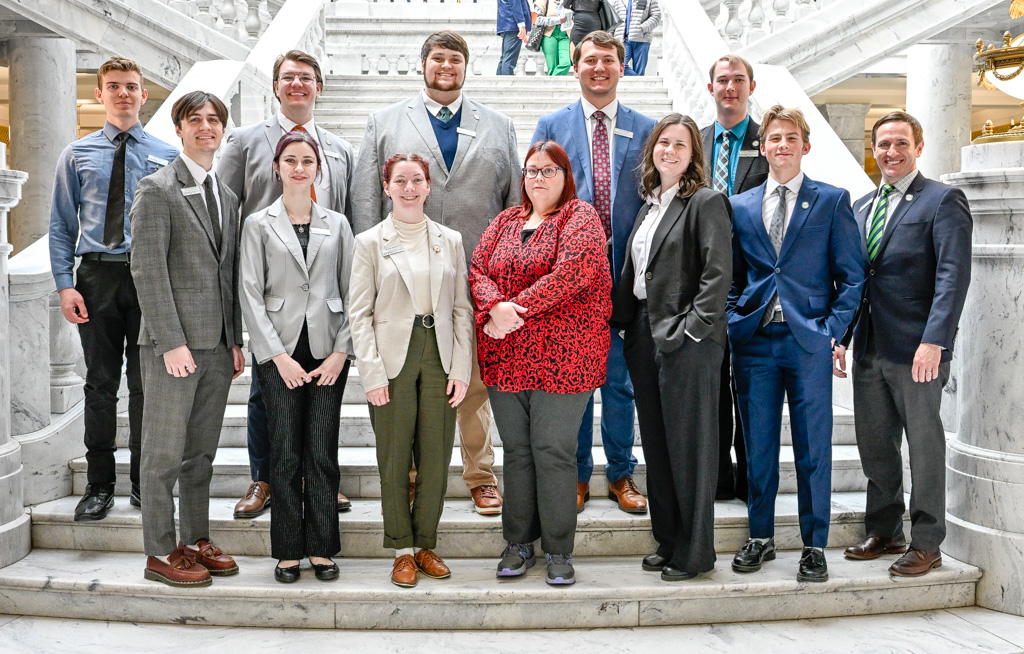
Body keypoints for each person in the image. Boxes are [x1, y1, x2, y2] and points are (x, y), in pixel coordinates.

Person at [352, 31, 520, 516]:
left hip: (476, 277)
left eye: (455, 59)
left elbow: (513, 203)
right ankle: (410, 476)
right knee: (408, 381)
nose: (446, 66)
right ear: (422, 63)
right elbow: (365, 200)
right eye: (438, 58)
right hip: (404, 277)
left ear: (467, 67)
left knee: (472, 383)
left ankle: (480, 474)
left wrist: (506, 278)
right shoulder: (384, 122)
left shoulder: (499, 126)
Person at [728, 105, 864, 583]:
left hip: (808, 341)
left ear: (805, 146)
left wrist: (832, 331)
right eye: (774, 138)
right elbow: (732, 275)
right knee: (758, 445)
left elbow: (852, 277)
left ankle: (814, 545)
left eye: (790, 138)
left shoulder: (832, 200)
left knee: (813, 448)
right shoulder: (740, 205)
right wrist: (733, 317)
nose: (782, 145)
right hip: (754, 341)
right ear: (762, 147)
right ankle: (760, 536)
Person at [217, 49, 356, 520]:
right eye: (288, 77)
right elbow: (226, 215)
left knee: (323, 402)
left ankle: (319, 480)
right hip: (270, 292)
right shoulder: (244, 141)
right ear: (275, 86)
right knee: (265, 395)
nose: (297, 84)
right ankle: (265, 479)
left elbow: (347, 221)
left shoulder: (339, 149)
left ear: (320, 87)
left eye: (306, 77)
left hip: (324, 300)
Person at [837, 111, 972, 578]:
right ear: (873, 149)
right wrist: (842, 337)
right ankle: (885, 530)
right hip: (869, 345)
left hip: (918, 350)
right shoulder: (861, 205)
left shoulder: (943, 199)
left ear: (918, 147)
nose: (891, 152)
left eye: (900, 143)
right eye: (883, 144)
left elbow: (953, 276)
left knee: (924, 446)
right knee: (876, 445)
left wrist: (935, 340)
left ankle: (927, 543)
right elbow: (856, 278)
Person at [471, 140, 611, 586]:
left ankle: (558, 549)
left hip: (564, 359)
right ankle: (518, 543)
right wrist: (495, 307)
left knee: (553, 452)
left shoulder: (580, 216)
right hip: (506, 358)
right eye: (532, 170)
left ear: (566, 176)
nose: (539, 178)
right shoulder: (505, 221)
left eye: (549, 170)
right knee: (517, 452)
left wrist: (511, 312)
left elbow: (571, 275)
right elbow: (477, 270)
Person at [49, 56, 179, 521]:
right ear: (99, 94)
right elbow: (61, 226)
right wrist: (65, 285)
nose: (123, 93)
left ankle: (146, 483)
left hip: (150, 279)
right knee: (100, 384)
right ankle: (99, 485)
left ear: (144, 94)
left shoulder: (169, 155)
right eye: (114, 86)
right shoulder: (76, 154)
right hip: (96, 278)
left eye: (131, 86)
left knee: (146, 386)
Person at [532, 30, 655, 515]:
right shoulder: (552, 124)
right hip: (569, 281)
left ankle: (621, 473)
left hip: (627, 277)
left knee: (620, 384)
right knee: (576, 385)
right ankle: (577, 474)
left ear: (622, 67)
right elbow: (539, 193)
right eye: (589, 60)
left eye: (608, 60)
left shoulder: (646, 128)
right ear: (576, 66)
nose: (599, 68)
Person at [130, 91, 246, 588]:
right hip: (173, 347)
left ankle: (196, 539)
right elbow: (147, 269)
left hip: (217, 346)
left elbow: (229, 274)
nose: (206, 127)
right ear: (178, 129)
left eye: (214, 120)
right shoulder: (157, 189)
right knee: (162, 456)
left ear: (223, 129)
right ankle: (160, 551)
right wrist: (170, 341)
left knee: (200, 455)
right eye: (195, 119)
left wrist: (234, 339)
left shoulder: (228, 196)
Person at [612, 114, 731, 581]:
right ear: (652, 150)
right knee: (658, 447)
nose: (670, 151)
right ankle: (668, 540)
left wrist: (692, 330)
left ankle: (695, 553)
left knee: (690, 449)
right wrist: (626, 325)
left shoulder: (704, 202)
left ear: (693, 154)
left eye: (681, 144)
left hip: (687, 340)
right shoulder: (648, 207)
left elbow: (717, 274)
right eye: (664, 142)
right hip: (644, 335)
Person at [349, 153, 473, 588]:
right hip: (391, 358)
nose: (409, 188)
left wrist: (461, 368)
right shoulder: (369, 242)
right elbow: (359, 314)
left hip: (439, 354)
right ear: (386, 187)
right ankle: (401, 550)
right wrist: (372, 374)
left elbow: (461, 308)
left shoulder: (449, 240)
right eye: (399, 180)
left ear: (428, 186)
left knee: (436, 457)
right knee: (395, 456)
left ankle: (425, 544)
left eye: (416, 180)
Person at [238, 130, 355, 583]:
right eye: (290, 160)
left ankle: (322, 547)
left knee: (321, 451)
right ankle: (288, 549)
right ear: (277, 167)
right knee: (285, 453)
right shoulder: (258, 223)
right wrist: (276, 357)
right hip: (279, 350)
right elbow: (250, 293)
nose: (299, 168)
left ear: (318, 169)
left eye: (307, 160)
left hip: (327, 349)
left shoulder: (338, 224)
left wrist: (341, 352)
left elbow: (354, 292)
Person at [700, 54, 770, 504]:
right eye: (722, 80)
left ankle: (750, 481)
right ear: (710, 88)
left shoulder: (770, 140)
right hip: (705, 282)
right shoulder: (695, 141)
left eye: (738, 80)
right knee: (711, 387)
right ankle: (717, 479)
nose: (730, 87)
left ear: (751, 86)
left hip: (754, 282)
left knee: (751, 388)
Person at [611, 0, 661, 76]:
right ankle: (640, 79)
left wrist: (642, 28)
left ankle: (639, 80)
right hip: (622, 40)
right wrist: (611, 38)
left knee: (639, 69)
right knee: (619, 65)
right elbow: (612, 21)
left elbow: (656, 16)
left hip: (642, 39)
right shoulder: (617, 1)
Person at [533, 0, 572, 76]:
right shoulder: (543, 1)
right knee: (552, 66)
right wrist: (558, 20)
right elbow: (537, 19)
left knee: (566, 63)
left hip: (566, 35)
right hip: (549, 34)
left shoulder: (570, 1)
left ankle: (551, 81)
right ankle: (554, 82)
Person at [497, 0, 532, 75]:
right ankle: (507, 82)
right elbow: (515, 5)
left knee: (505, 58)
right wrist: (521, 24)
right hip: (513, 24)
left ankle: (500, 81)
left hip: (507, 24)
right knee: (508, 60)